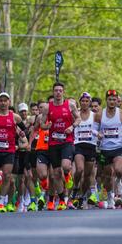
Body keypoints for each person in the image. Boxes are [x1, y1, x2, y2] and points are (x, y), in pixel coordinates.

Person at [39, 82, 80, 210]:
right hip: (53, 143)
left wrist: (72, 126)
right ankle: (62, 199)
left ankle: (67, 175)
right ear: (53, 92)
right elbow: (42, 123)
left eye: (60, 90)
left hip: (66, 141)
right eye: (56, 90)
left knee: (66, 166)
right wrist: (46, 126)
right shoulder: (47, 107)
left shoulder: (70, 105)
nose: (58, 93)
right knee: (56, 173)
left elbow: (78, 119)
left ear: (63, 92)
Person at [95, 89, 122, 209]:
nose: (112, 102)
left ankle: (119, 181)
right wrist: (97, 134)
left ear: (117, 101)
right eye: (109, 99)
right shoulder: (100, 114)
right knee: (107, 176)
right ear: (106, 100)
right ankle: (110, 197)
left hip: (118, 146)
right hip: (105, 148)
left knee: (119, 170)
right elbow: (94, 128)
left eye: (114, 100)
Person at [73, 92, 98, 208]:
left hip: (91, 145)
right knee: (79, 169)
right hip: (78, 145)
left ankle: (82, 195)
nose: (84, 103)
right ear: (80, 102)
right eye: (82, 101)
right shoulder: (75, 114)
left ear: (89, 103)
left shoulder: (95, 115)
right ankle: (75, 187)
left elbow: (100, 129)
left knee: (88, 175)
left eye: (87, 101)